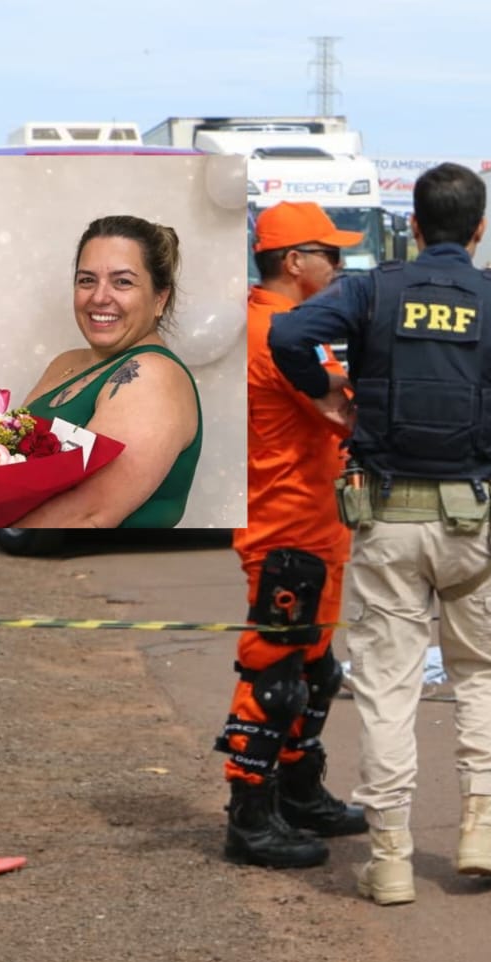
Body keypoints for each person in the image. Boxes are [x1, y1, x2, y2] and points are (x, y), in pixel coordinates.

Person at [268, 162, 491, 906]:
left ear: (415, 227)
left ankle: (391, 857)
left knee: (389, 688)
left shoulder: (369, 291)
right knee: (484, 674)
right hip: (473, 524)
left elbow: (291, 334)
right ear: (481, 229)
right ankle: (481, 829)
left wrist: (331, 390)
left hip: (388, 519)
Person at [213, 202, 370, 868]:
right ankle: (250, 816)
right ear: (293, 260)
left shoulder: (285, 326)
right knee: (275, 673)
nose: (340, 266)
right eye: (331, 254)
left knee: (314, 669)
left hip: (314, 524)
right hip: (286, 527)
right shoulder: (275, 333)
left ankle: (300, 793)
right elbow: (341, 414)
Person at [15, 215, 201, 528]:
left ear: (160, 299)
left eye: (123, 282)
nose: (99, 297)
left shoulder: (150, 377)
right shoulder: (65, 363)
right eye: (86, 280)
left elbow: (86, 514)